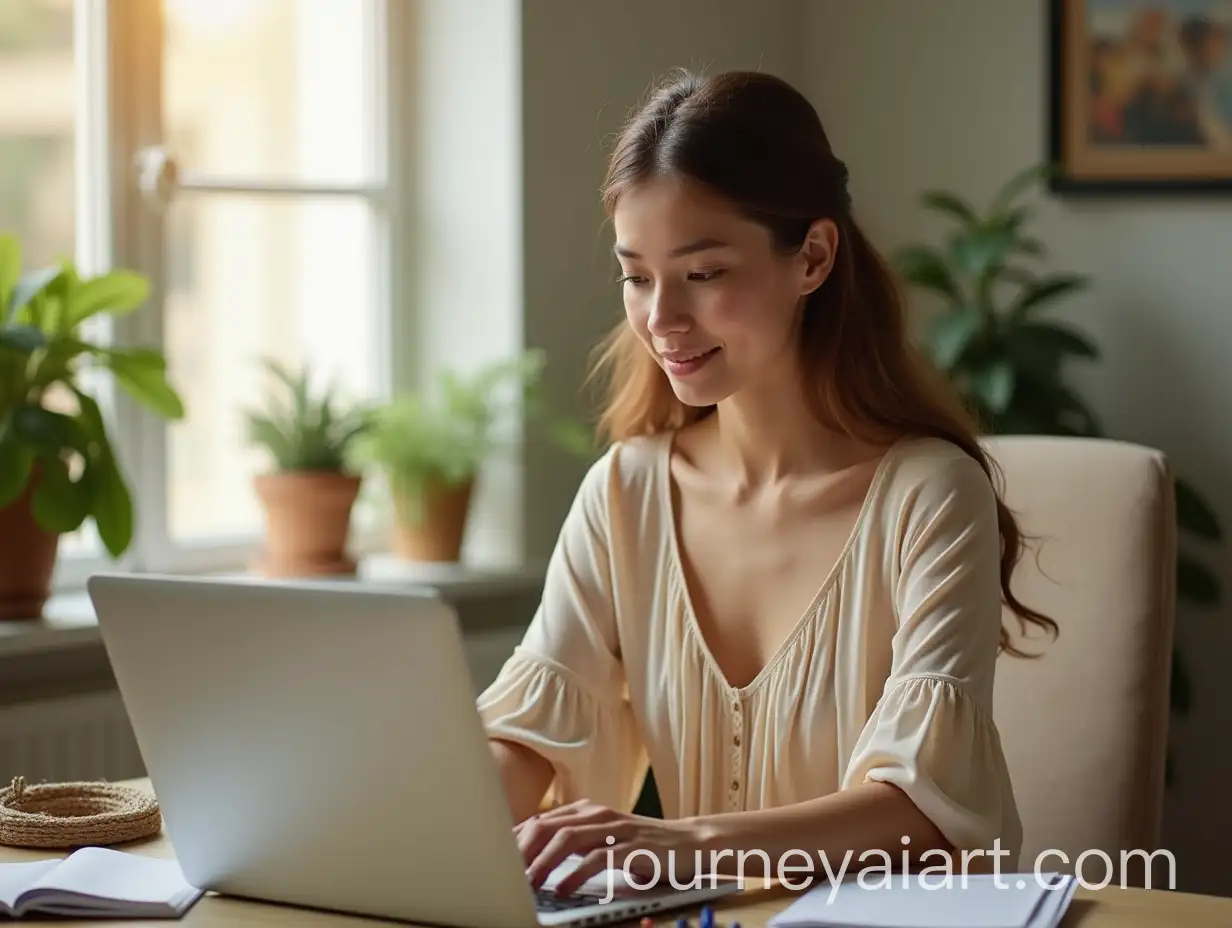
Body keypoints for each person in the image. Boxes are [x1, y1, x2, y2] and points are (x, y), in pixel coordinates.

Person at [476, 69, 1056, 897]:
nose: (662, 319)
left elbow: (920, 808)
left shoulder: (930, 495)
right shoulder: (626, 493)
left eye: (703, 274)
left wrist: (682, 844)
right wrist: (432, 833)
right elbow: (530, 736)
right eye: (637, 276)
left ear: (813, 256)